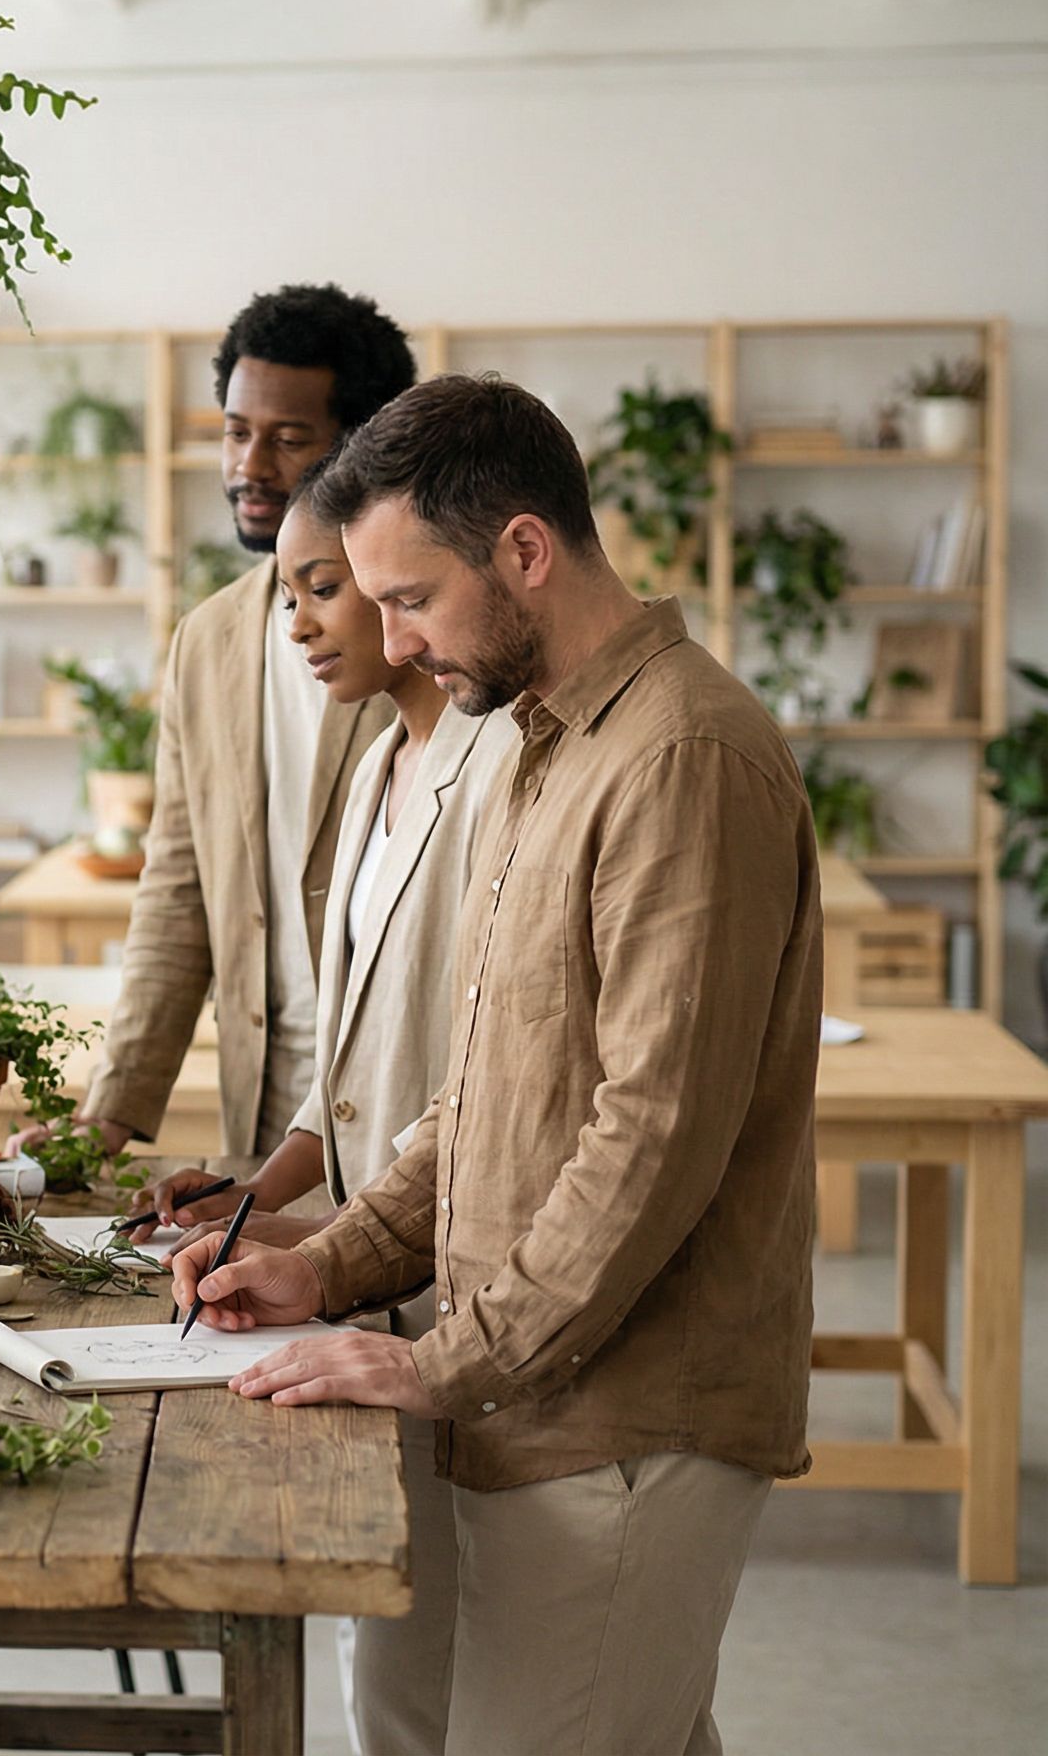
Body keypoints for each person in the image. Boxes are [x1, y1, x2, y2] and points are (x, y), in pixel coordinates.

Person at [172, 373, 820, 1756]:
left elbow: (652, 1137)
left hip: (622, 1422)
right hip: (517, 1388)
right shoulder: (542, 745)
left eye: (408, 598)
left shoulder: (683, 758)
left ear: (523, 551)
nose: (389, 635)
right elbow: (487, 1091)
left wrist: (448, 1360)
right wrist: (332, 1263)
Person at [141, 474, 519, 1756]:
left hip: (472, 1261)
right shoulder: (377, 779)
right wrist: (266, 1187)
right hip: (373, 1258)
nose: (297, 619)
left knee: (518, 1676)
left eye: (324, 587)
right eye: (287, 589)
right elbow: (350, 1062)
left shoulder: (505, 766)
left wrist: (327, 1233)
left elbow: (488, 1072)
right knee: (401, 1664)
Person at [14, 285, 412, 1174]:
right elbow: (177, 884)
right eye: (236, 431)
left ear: (366, 443)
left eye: (288, 437)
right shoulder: (209, 639)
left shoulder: (432, 632)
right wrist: (109, 1112)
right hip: (268, 1111)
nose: (250, 465)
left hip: (412, 1108)